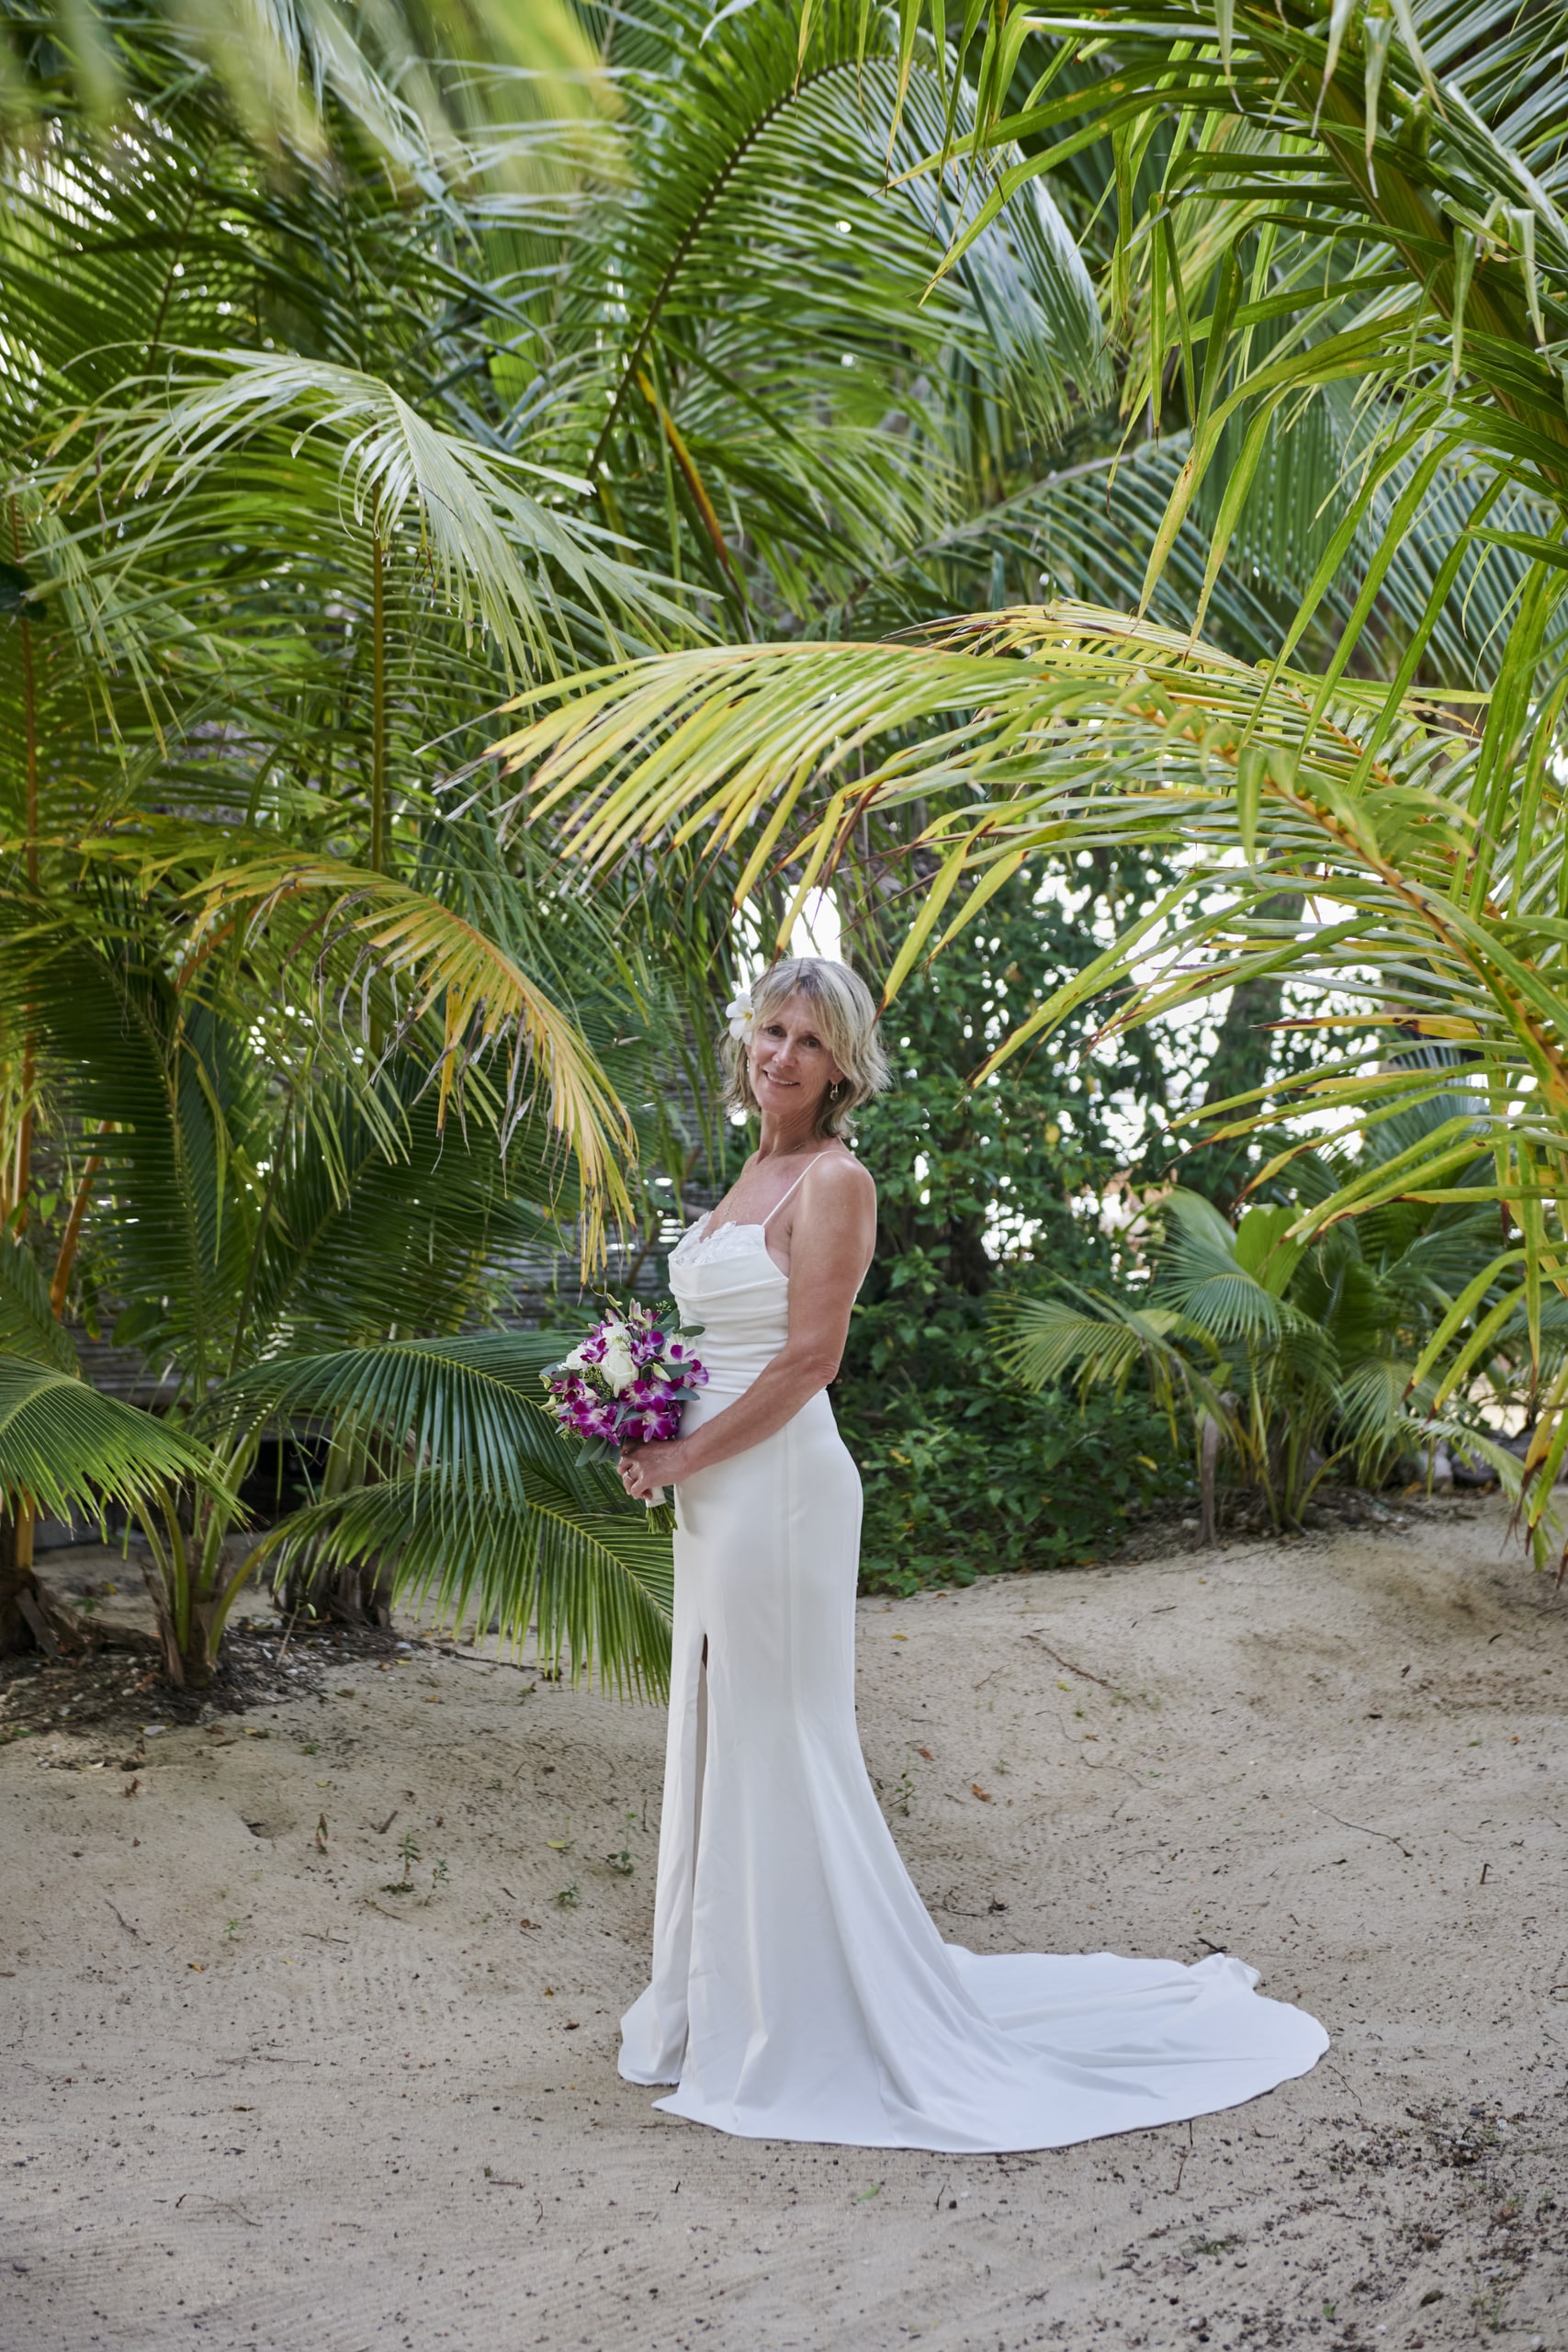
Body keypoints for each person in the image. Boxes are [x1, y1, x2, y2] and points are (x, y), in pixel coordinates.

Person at [615, 956, 1327, 2151]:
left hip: (778, 1487)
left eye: (808, 1040)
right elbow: (715, 1342)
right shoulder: (750, 1172)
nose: (782, 1055)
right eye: (772, 1030)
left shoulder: (837, 1180)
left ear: (841, 1067)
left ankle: (804, 2015)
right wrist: (639, 1412)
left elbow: (808, 1362)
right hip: (711, 1490)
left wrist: (685, 1453)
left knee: (779, 1730)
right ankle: (726, 1997)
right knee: (724, 1725)